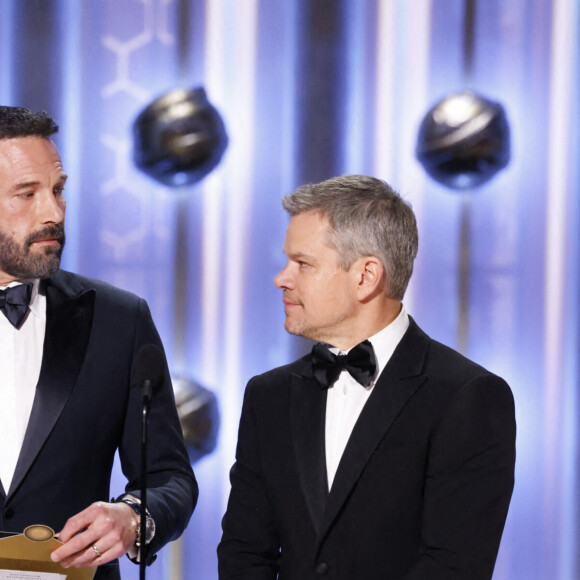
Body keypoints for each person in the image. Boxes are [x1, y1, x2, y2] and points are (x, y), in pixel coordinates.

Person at [218, 175, 516, 579]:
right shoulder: (268, 395)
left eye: (303, 263)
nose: (282, 278)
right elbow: (244, 552)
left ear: (365, 277)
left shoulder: (467, 397)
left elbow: (453, 565)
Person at [0, 106, 197, 579]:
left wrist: (132, 517)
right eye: (27, 194)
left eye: (58, 190)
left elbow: (169, 477)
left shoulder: (119, 319)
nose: (53, 211)